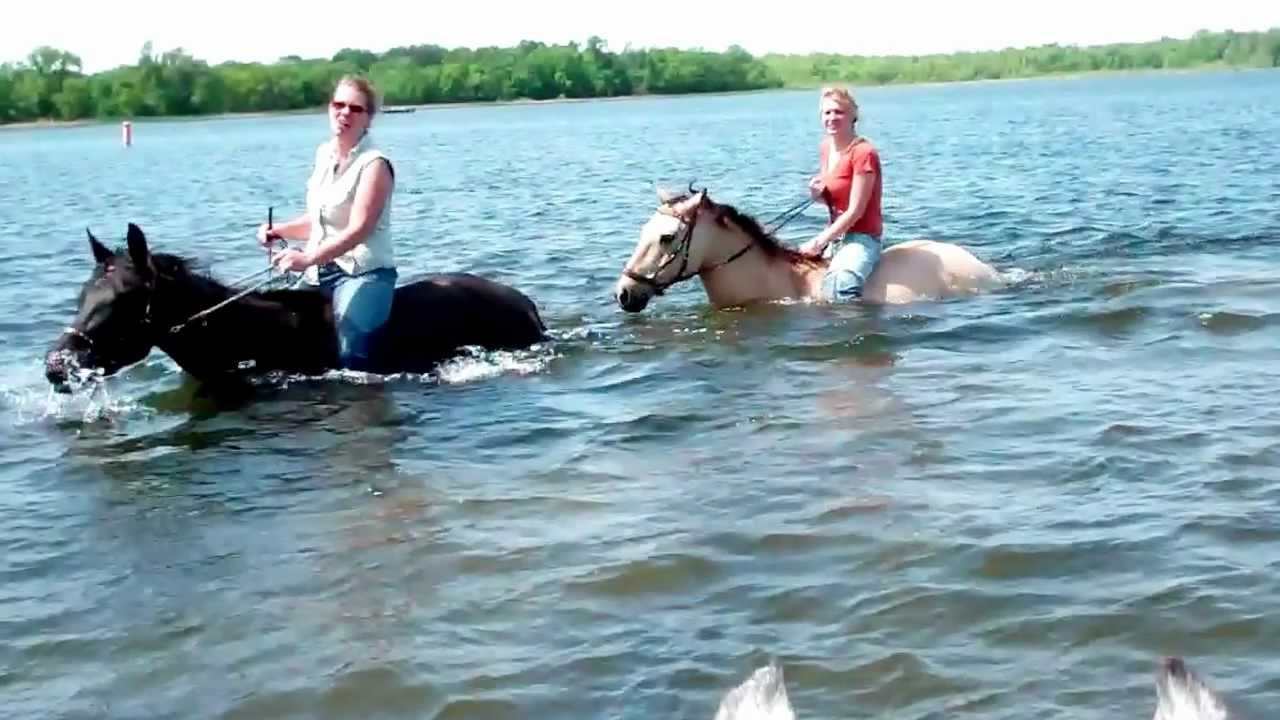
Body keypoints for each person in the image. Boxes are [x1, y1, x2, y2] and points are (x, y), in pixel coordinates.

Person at [257, 74, 398, 372]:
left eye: (355, 108)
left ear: (368, 119)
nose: (345, 113)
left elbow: (359, 229)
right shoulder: (324, 154)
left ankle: (368, 396)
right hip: (318, 273)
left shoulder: (375, 164)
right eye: (339, 105)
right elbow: (320, 222)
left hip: (363, 274)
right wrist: (278, 230)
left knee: (351, 350)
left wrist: (307, 258)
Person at [799, 85, 884, 302]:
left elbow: (855, 211)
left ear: (853, 116)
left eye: (839, 112)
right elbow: (836, 200)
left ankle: (856, 322)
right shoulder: (826, 148)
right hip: (836, 237)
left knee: (840, 285)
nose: (832, 118)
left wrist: (819, 242)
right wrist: (817, 195)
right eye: (827, 112)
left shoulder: (863, 153)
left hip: (862, 238)